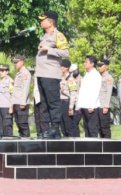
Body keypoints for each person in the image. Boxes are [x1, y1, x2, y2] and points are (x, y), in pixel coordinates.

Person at [35, 11, 70, 139]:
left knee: (53, 103)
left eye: (43, 20)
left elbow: (65, 53)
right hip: (41, 74)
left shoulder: (58, 35)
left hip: (51, 75)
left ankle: (55, 128)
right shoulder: (44, 36)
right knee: (44, 104)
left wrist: (48, 49)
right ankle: (48, 129)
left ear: (50, 22)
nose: (41, 22)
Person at [76, 56, 101, 138]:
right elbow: (83, 91)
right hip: (84, 106)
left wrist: (92, 105)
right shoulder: (87, 74)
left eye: (86, 62)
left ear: (92, 64)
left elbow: (96, 91)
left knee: (92, 129)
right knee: (87, 128)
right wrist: (79, 105)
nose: (84, 63)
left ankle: (94, 149)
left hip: (91, 106)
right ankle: (88, 148)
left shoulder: (95, 75)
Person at [11, 55, 32, 137]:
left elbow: (25, 88)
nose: (15, 64)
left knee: (23, 124)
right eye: (14, 63)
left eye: (16, 62)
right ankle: (21, 142)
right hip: (16, 102)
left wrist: (23, 102)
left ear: (22, 62)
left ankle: (27, 143)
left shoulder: (25, 73)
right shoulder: (18, 74)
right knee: (18, 123)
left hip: (21, 103)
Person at [59, 59, 79, 137]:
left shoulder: (71, 79)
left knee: (68, 126)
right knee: (62, 126)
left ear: (66, 68)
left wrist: (71, 108)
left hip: (67, 103)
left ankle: (72, 145)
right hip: (61, 102)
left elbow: (73, 94)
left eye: (62, 66)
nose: (60, 68)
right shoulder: (61, 78)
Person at [97, 58, 114, 139]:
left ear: (106, 67)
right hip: (98, 105)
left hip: (104, 105)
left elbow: (109, 92)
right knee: (99, 127)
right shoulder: (98, 77)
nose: (99, 67)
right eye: (99, 66)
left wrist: (106, 106)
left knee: (105, 127)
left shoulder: (108, 77)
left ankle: (108, 146)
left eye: (101, 65)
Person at [0, 64, 14, 137]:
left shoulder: (10, 81)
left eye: (3, 71)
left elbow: (13, 95)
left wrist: (11, 107)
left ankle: (9, 142)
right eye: (0, 70)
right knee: (1, 127)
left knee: (7, 126)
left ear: (7, 72)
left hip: (7, 106)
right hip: (0, 106)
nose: (1, 72)